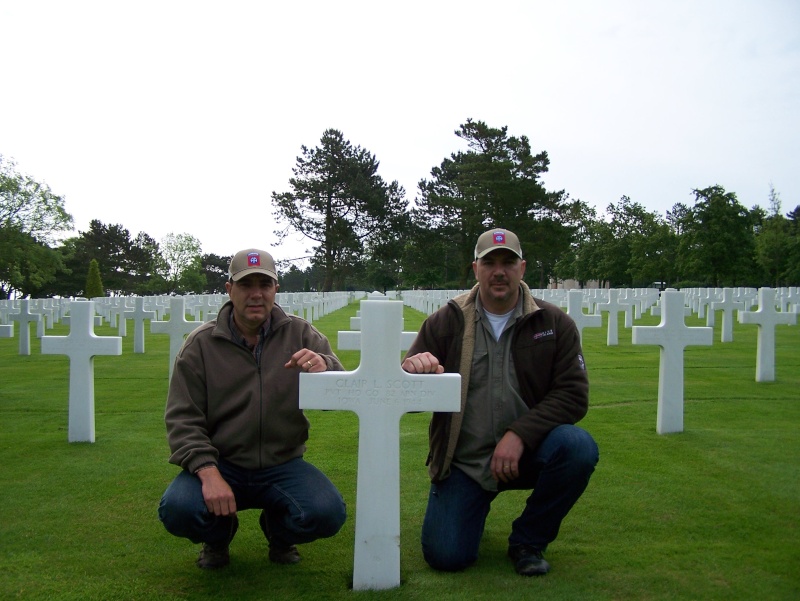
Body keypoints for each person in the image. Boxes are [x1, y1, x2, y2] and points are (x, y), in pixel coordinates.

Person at [402, 228, 599, 577]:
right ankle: (470, 508)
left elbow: (573, 393)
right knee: (447, 557)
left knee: (576, 447)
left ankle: (528, 540)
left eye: (508, 262)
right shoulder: (446, 321)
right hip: (466, 460)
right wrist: (414, 370)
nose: (499, 271)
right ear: (475, 268)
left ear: (522, 268)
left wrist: (520, 434)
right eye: (489, 262)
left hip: (529, 453)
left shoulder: (553, 323)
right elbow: (404, 390)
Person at [158, 248, 347, 569]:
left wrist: (324, 365)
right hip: (222, 462)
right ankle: (217, 536)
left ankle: (279, 532)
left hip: (282, 463)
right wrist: (208, 473)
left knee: (326, 513)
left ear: (276, 289)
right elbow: (183, 418)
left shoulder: (301, 334)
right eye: (246, 285)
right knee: (179, 509)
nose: (256, 294)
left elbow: (343, 387)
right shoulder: (201, 345)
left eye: (265, 284)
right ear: (230, 289)